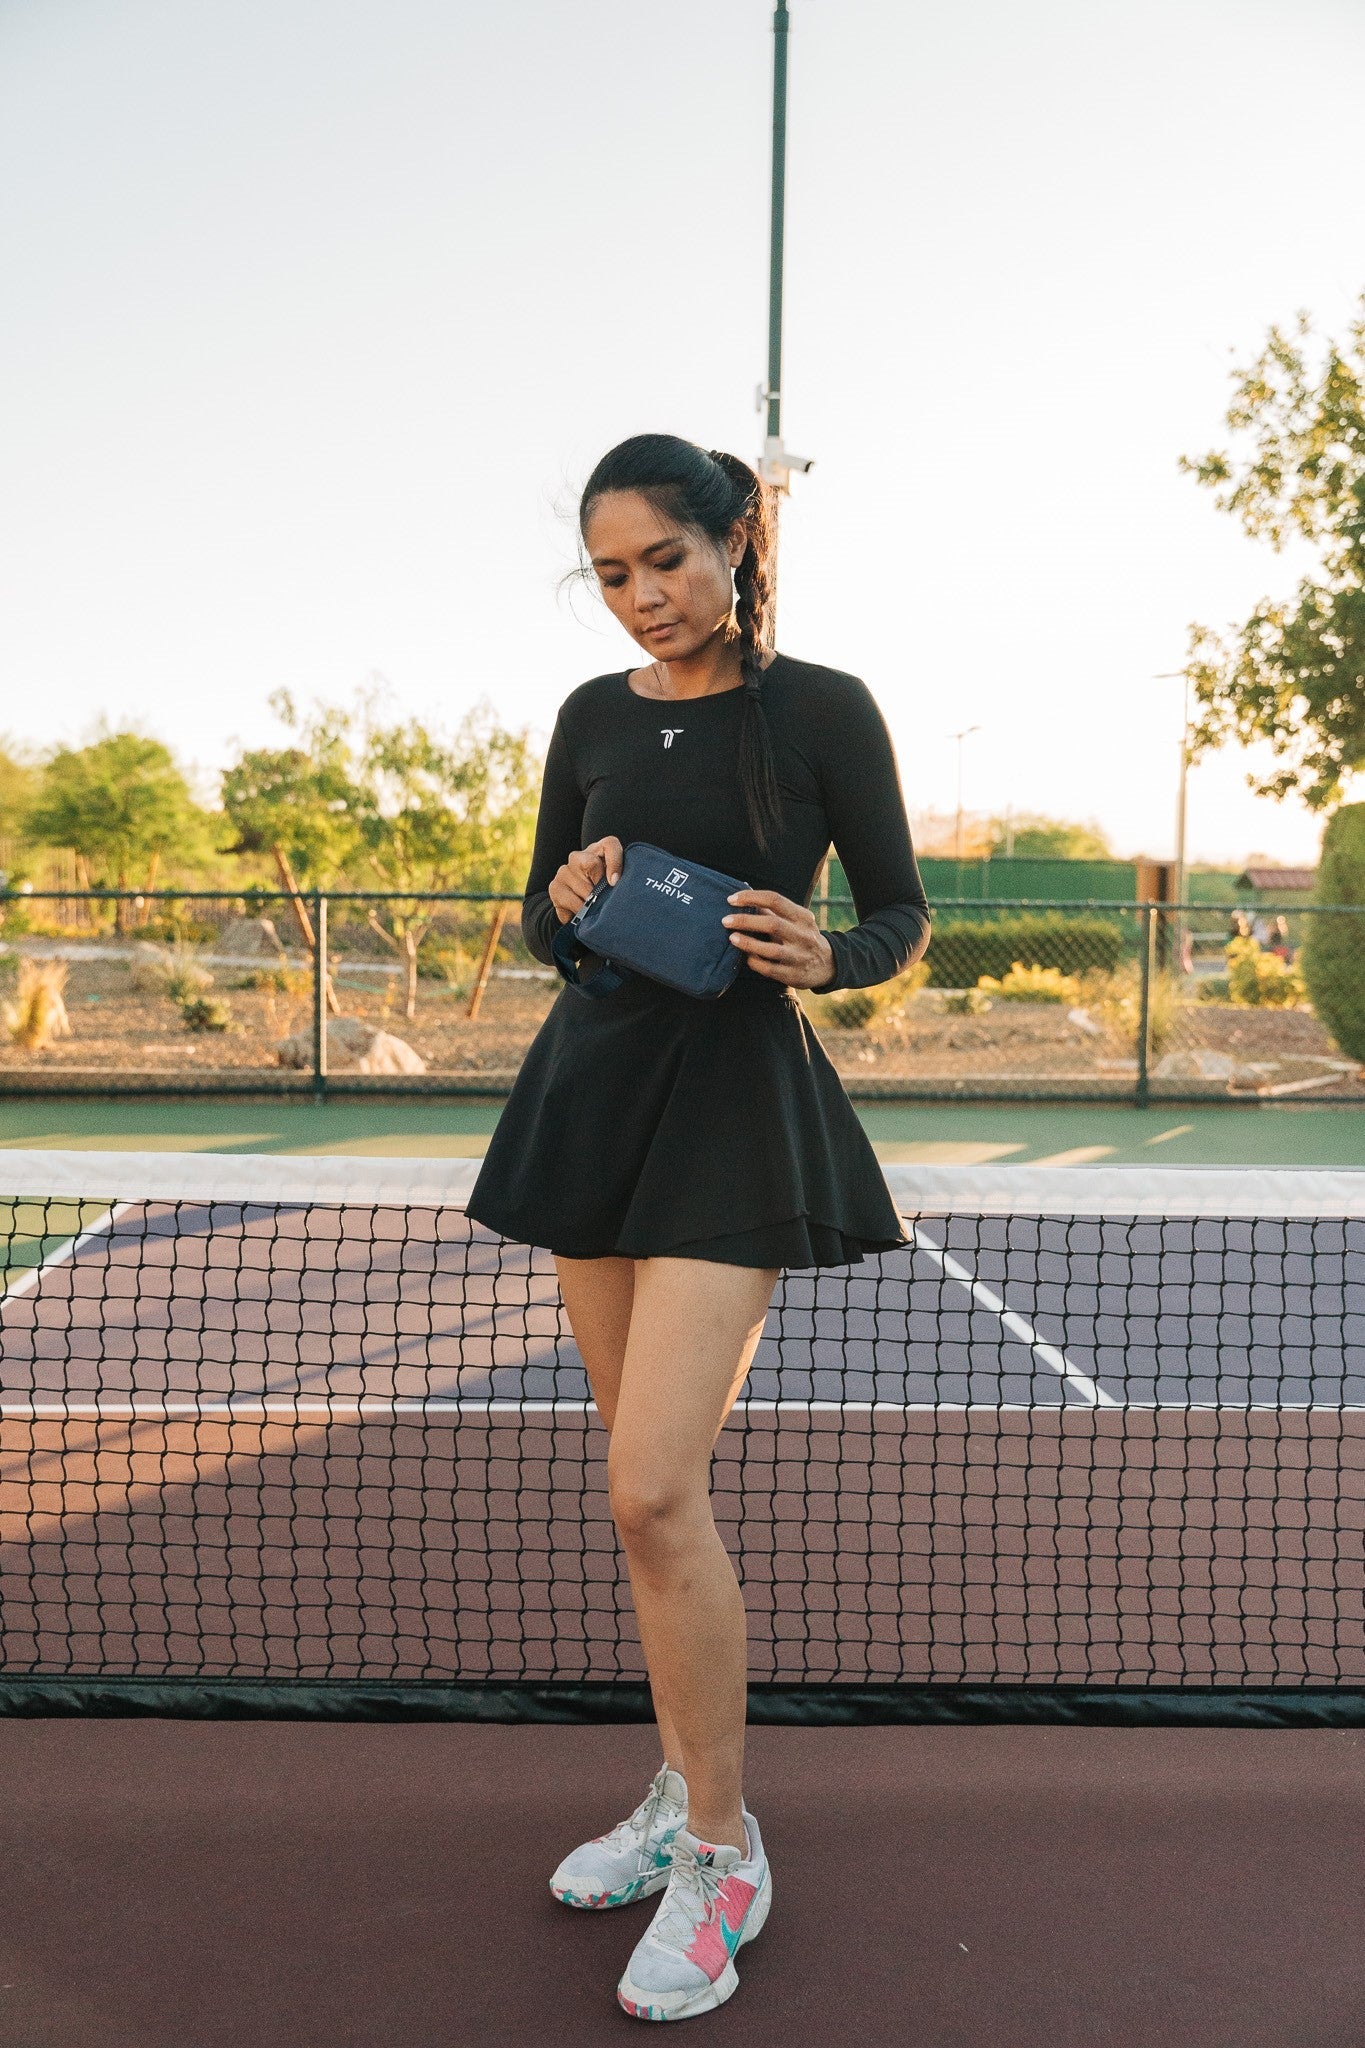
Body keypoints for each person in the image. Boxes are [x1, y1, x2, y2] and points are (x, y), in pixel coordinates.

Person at [466, 433, 930, 2023]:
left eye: (663, 558)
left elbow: (897, 908)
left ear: (734, 540)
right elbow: (542, 915)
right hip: (594, 1101)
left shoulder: (820, 710)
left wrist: (834, 952)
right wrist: (573, 890)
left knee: (654, 1486)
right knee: (638, 1504)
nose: (640, 597)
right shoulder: (590, 719)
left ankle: (721, 1852)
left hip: (736, 1122)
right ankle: (675, 1791)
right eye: (608, 575)